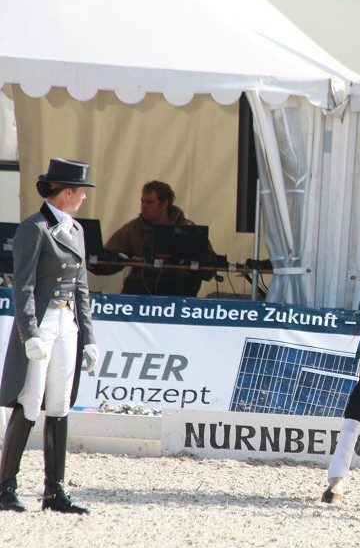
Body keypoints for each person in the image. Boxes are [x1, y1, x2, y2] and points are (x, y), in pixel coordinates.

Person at [0, 158, 99, 514]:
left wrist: (89, 336)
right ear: (68, 192)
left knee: (58, 404)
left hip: (66, 324)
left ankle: (54, 490)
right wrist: (29, 333)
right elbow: (22, 286)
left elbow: (82, 289)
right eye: (81, 192)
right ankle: (5, 486)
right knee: (29, 400)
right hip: (41, 324)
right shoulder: (34, 228)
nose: (84, 199)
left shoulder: (76, 230)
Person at [93, 181, 215, 296]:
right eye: (142, 202)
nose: (144, 206)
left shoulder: (188, 229)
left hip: (178, 284)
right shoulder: (134, 228)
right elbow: (110, 257)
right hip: (140, 284)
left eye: (149, 202)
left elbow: (209, 268)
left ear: (165, 204)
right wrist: (92, 260)